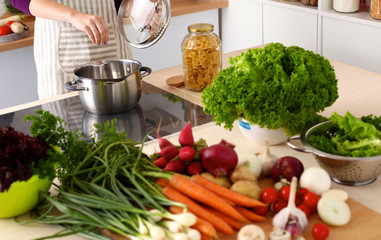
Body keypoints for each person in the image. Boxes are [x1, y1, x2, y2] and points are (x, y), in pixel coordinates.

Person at [9, 0, 132, 99]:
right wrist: (73, 16)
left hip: (112, 43)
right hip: (63, 47)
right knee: (66, 125)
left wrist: (141, 9)